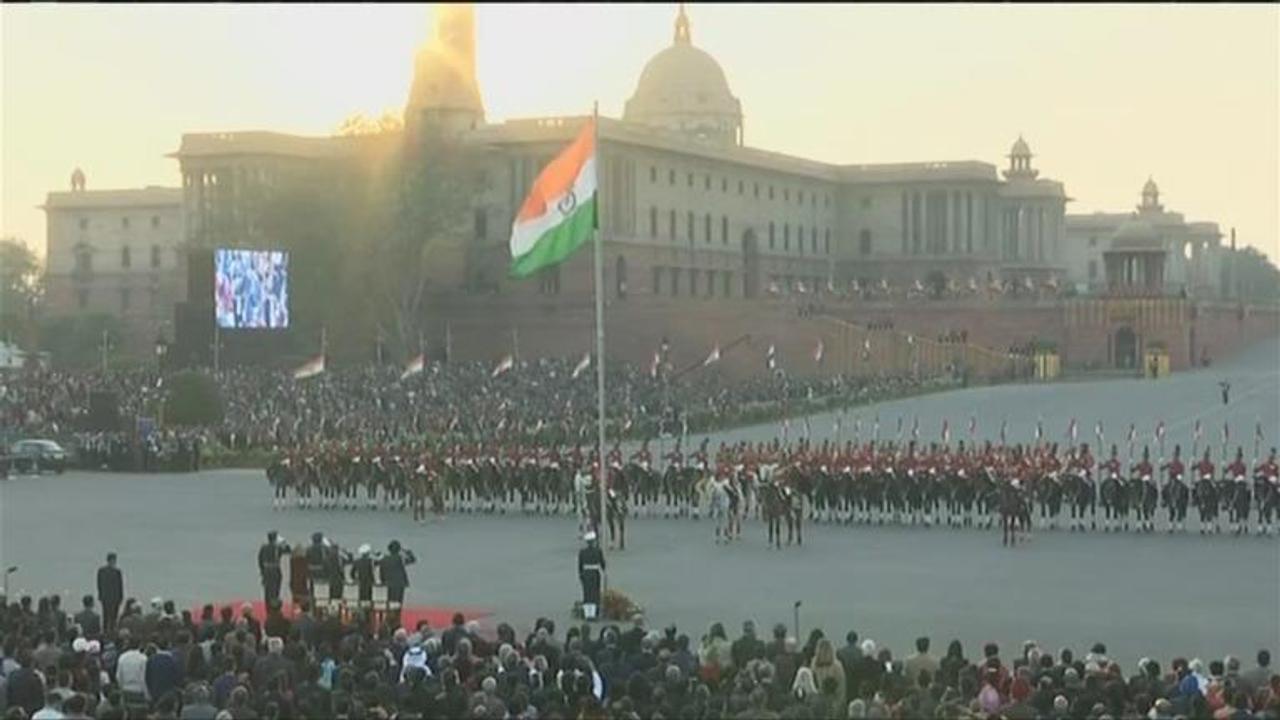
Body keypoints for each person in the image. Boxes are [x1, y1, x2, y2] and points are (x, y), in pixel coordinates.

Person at [578, 531, 605, 621]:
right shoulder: (598, 551)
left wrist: (581, 575)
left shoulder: (582, 552)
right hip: (595, 573)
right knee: (595, 593)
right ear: (593, 541)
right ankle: (593, 614)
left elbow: (580, 565)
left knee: (586, 593)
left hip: (586, 573)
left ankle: (587, 614)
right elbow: (602, 563)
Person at [96, 552, 123, 635]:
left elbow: (99, 584)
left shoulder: (102, 571)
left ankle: (106, 631)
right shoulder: (116, 572)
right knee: (111, 616)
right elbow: (120, 586)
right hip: (113, 598)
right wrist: (121, 597)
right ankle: (111, 631)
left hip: (107, 597)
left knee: (108, 616)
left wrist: (100, 595)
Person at [257, 531, 286, 606]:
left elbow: (260, 560)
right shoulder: (278, 547)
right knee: (276, 589)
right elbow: (287, 550)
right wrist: (282, 541)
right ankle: (275, 605)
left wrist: (262, 571)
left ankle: (268, 606)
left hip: (266, 570)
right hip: (275, 570)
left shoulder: (263, 547)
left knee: (267, 590)